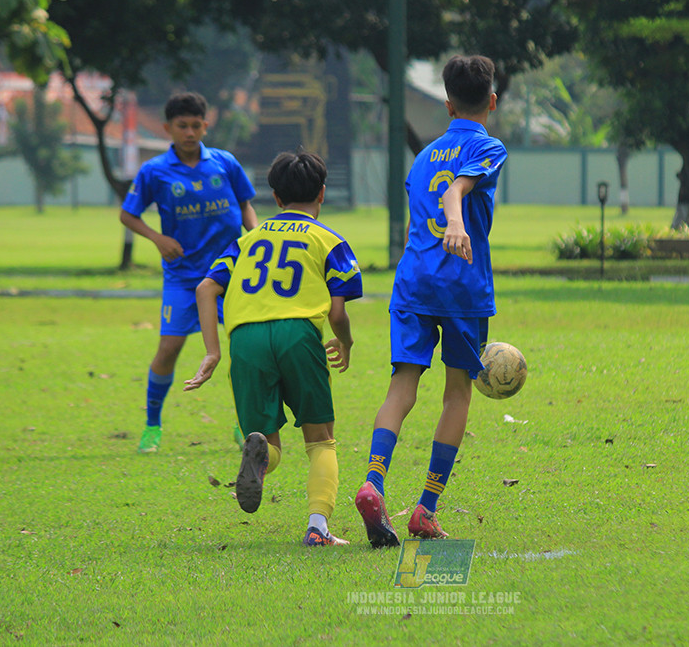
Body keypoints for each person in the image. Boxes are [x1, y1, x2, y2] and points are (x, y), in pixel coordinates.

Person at [355, 54, 508, 547]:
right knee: (457, 393)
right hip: (461, 285)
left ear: (447, 104)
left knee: (401, 387)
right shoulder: (488, 146)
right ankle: (426, 508)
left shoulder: (423, 158)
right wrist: (457, 223)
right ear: (492, 101)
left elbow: (417, 221)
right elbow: (455, 193)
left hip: (413, 282)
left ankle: (373, 482)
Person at [183, 150, 361, 547]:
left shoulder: (246, 241)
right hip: (297, 334)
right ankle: (317, 529)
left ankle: (262, 458)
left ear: (276, 198)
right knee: (320, 439)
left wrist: (212, 352)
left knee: (267, 438)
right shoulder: (329, 240)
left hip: (245, 338)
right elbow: (337, 311)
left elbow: (206, 287)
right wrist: (346, 342)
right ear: (322, 193)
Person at [120, 91, 258, 454]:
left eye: (196, 125)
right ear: (168, 128)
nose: (190, 132)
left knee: (244, 349)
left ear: (206, 126)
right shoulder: (154, 170)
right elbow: (127, 214)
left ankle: (244, 424)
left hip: (230, 274)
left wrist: (255, 238)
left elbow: (245, 205)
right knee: (169, 348)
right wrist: (157, 238)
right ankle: (152, 425)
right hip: (183, 276)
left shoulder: (225, 163)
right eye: (182, 126)